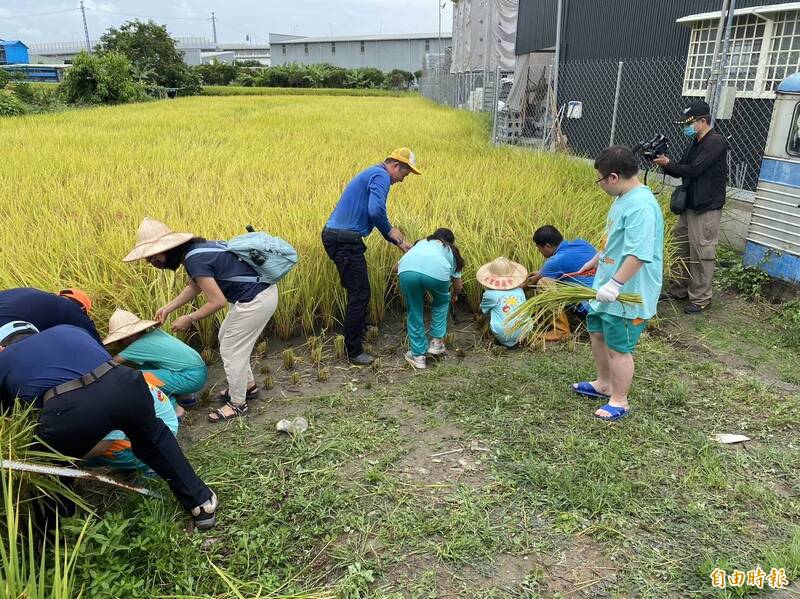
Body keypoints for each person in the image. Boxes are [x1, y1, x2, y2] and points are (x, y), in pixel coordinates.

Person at [0, 321, 218, 528]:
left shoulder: (4, 359)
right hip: (124, 383)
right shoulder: (67, 330)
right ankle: (201, 504)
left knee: (50, 465)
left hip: (67, 407)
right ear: (35, 333)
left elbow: (11, 415)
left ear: (2, 346)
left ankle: (56, 530)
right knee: (153, 439)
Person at [123, 218, 278, 424]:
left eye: (151, 258)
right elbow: (194, 287)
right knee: (226, 338)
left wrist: (189, 318)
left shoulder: (194, 259)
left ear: (166, 249)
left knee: (232, 350)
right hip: (254, 296)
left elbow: (217, 302)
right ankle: (248, 387)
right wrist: (168, 308)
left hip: (256, 301)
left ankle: (238, 404)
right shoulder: (194, 251)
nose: (152, 263)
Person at [572, 146, 664, 421]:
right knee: (598, 333)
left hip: (627, 292)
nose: (600, 185)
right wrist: (597, 259)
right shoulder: (623, 198)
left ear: (613, 177)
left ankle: (620, 401)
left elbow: (638, 253)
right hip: (606, 284)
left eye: (600, 179)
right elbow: (616, 240)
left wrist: (614, 285)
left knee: (618, 347)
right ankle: (604, 384)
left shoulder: (642, 206)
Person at [321, 148, 419, 366]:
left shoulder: (374, 173)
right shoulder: (381, 175)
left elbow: (372, 213)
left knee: (359, 290)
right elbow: (376, 211)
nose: (402, 181)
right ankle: (354, 351)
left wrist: (399, 242)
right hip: (344, 241)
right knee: (360, 293)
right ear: (396, 166)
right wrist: (392, 232)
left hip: (341, 238)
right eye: (405, 175)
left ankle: (360, 328)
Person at [653, 100, 728, 314]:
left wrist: (669, 164)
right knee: (680, 247)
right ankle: (679, 290)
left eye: (690, 122)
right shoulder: (695, 142)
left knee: (702, 251)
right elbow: (681, 170)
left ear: (703, 121)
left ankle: (701, 297)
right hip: (689, 205)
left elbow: (694, 170)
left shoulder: (715, 142)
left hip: (705, 208)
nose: (686, 127)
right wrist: (663, 162)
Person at [103, 309, 208, 412]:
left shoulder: (138, 345)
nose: (119, 344)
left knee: (137, 377)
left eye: (120, 340)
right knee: (145, 366)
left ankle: (174, 409)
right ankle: (186, 397)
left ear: (130, 335)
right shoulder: (155, 333)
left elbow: (111, 363)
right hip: (198, 371)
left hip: (190, 378)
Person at [397, 228, 464, 369]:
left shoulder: (421, 243)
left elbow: (396, 267)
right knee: (441, 302)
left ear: (434, 237)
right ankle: (436, 342)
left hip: (407, 272)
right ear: (451, 242)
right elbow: (458, 287)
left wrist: (412, 261)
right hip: (437, 274)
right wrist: (453, 295)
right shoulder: (451, 251)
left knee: (414, 311)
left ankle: (418, 357)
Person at [526, 225, 598, 341]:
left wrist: (511, 286)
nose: (539, 252)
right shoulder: (582, 243)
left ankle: (561, 331)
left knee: (544, 283)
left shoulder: (555, 261)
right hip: (604, 298)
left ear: (547, 246)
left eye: (539, 249)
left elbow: (531, 283)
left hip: (589, 307)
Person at [0, 287, 101, 343]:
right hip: (6, 332)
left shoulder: (32, 293)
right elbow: (92, 337)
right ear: (82, 309)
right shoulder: (70, 306)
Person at [477, 257, 528, 348]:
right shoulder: (520, 291)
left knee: (489, 310)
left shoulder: (489, 294)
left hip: (503, 333)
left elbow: (482, 310)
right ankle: (520, 340)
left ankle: (496, 338)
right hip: (525, 330)